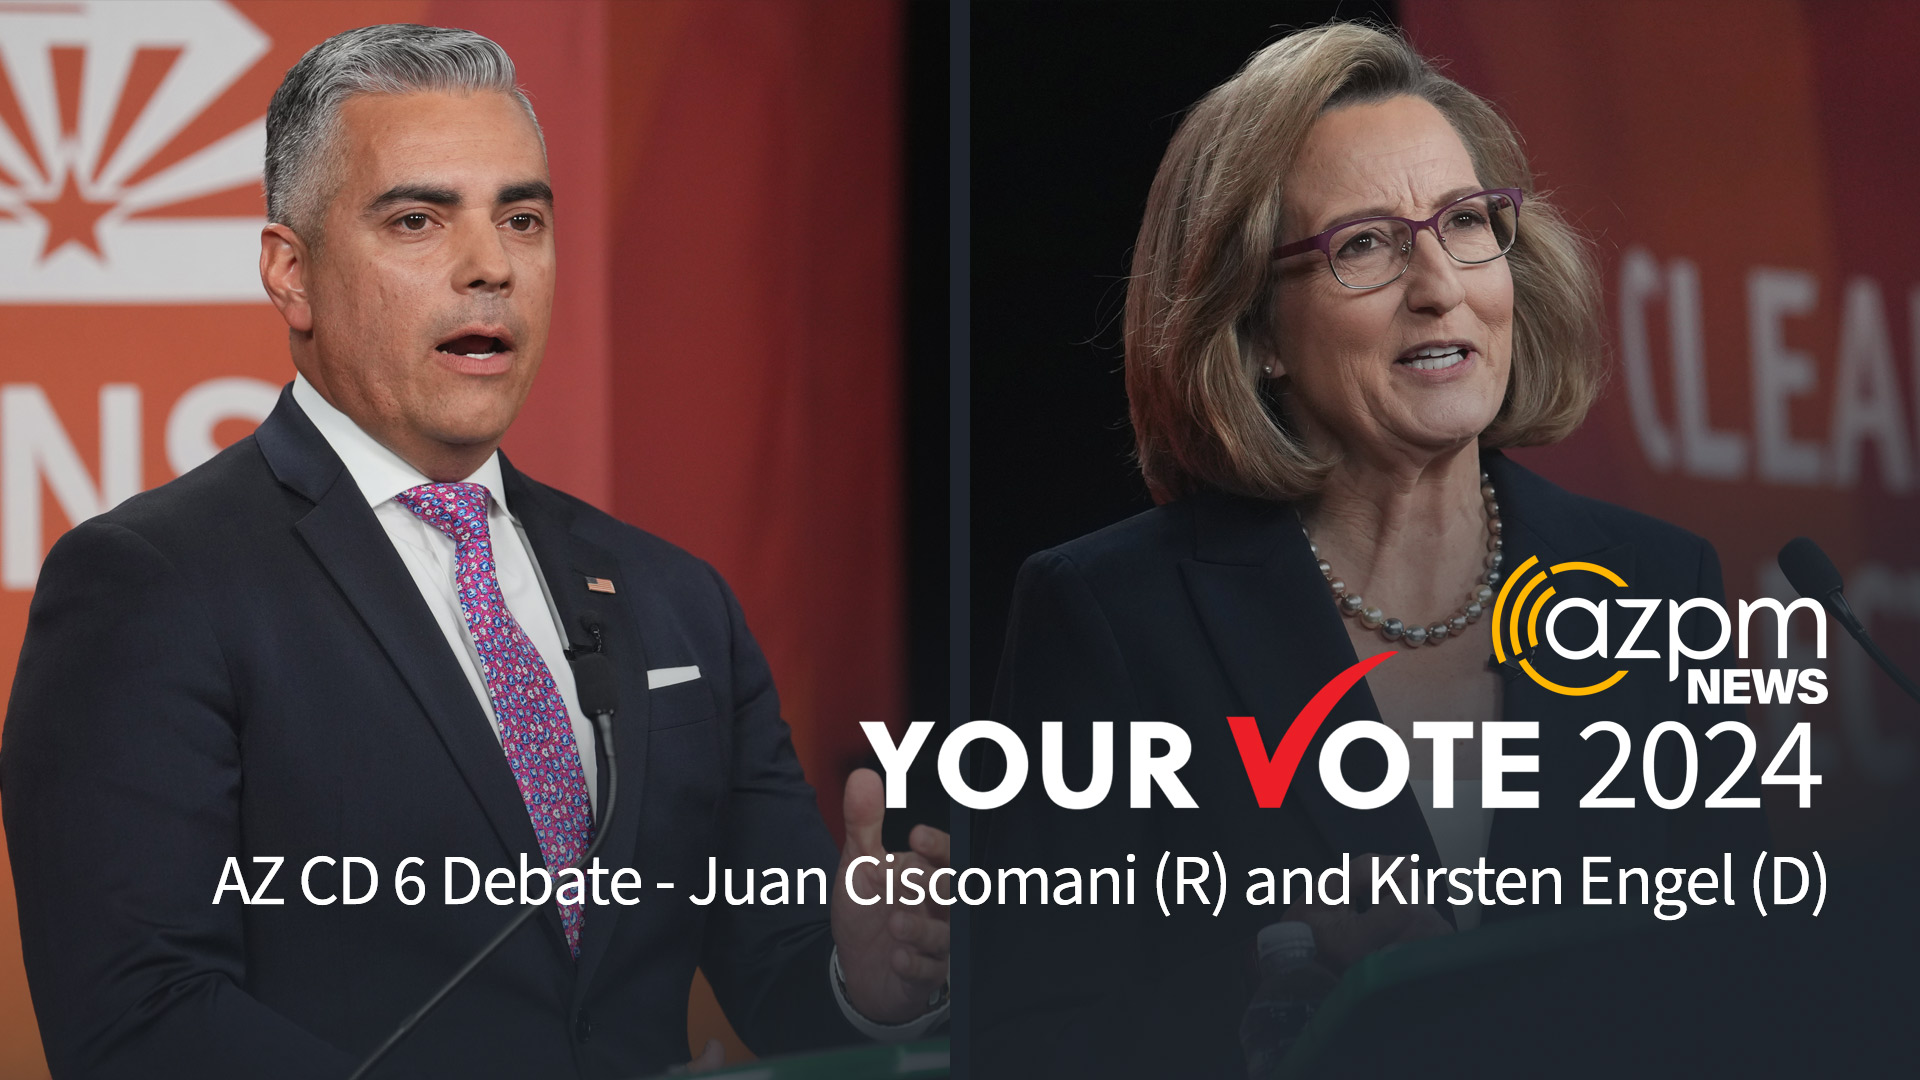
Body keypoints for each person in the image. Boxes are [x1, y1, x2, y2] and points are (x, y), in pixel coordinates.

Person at [0, 25, 947, 1079]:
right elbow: (140, 1019)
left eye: (523, 218)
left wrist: (870, 982)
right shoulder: (148, 585)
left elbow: (778, 972)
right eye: (417, 218)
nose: (491, 265)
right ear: (290, 271)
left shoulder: (674, 601)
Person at [973, 23, 1765, 1078]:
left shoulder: (1661, 588)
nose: (1438, 284)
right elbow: (1025, 1044)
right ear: (1253, 334)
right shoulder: (1113, 618)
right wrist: (1271, 992)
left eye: (1466, 224)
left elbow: (1744, 989)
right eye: (1364, 245)